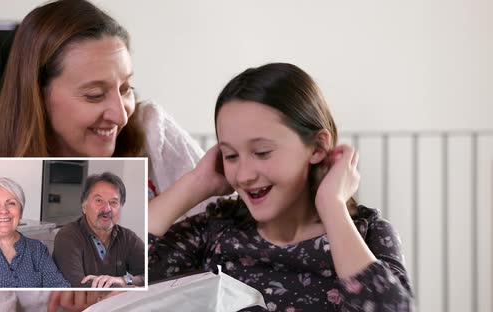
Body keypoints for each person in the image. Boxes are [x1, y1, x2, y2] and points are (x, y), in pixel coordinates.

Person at [0, 0, 206, 311]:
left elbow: (225, 248)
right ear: (38, 96)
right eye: (94, 95)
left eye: (126, 87)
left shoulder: (152, 131)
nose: (120, 114)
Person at [147, 63, 415, 311]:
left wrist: (332, 206)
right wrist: (196, 182)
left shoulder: (368, 232)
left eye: (262, 152)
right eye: (230, 155)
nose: (244, 175)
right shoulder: (214, 232)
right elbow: (116, 273)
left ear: (318, 147)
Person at [0, 177, 70, 288]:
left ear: (21, 212)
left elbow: (60, 288)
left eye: (11, 203)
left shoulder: (38, 250)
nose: (3, 211)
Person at [53, 173, 145, 288]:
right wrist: (130, 286)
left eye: (113, 202)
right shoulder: (68, 236)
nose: (106, 209)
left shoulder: (128, 237)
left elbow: (153, 273)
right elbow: (78, 286)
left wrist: (124, 280)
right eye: (99, 201)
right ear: (84, 206)